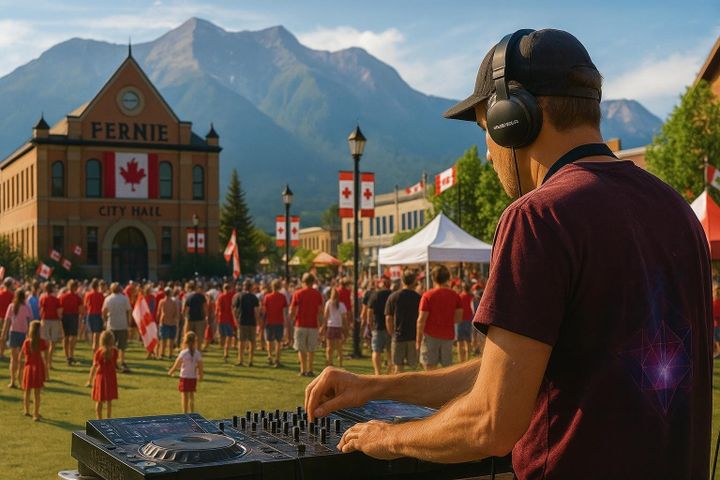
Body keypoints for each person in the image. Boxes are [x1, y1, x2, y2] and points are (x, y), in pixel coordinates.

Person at [303, 29, 713, 479]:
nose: (486, 152)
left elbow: (491, 422)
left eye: (485, 130)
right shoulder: (677, 211)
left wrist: (387, 437)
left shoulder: (537, 217)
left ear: (512, 119)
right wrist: (376, 387)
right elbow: (518, 371)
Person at [416, 265, 462, 370]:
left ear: (433, 278)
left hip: (430, 335)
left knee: (430, 371)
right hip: (448, 335)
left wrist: (418, 341)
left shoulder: (427, 296)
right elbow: (458, 318)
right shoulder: (455, 295)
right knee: (447, 371)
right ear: (447, 278)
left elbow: (421, 321)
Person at [384, 270, 421, 373]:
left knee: (398, 367)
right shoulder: (418, 298)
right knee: (414, 367)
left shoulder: (393, 296)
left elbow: (388, 318)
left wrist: (392, 334)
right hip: (413, 336)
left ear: (402, 281)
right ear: (414, 281)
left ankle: (399, 388)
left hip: (398, 336)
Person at [289, 273, 324, 377]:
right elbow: (320, 310)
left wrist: (292, 318)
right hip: (313, 324)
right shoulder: (317, 294)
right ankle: (310, 369)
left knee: (301, 349)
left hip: (300, 324)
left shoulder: (297, 293)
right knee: (311, 349)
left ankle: (303, 369)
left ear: (303, 282)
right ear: (313, 282)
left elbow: (292, 310)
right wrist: (321, 324)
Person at [2, 289, 33, 388]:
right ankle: (20, 381)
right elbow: (30, 322)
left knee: (13, 359)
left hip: (13, 333)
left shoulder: (11, 306)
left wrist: (3, 334)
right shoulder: (26, 307)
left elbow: (7, 322)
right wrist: (30, 335)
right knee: (21, 359)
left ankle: (13, 381)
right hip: (23, 334)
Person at [168, 331, 203, 414]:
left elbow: (177, 364)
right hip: (193, 377)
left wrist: (171, 371)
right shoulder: (197, 353)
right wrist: (200, 375)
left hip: (184, 377)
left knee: (184, 397)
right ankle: (192, 413)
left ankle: (185, 413)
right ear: (195, 341)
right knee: (191, 396)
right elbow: (200, 366)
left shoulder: (183, 353)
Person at [86, 330, 118, 419]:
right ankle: (108, 418)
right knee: (109, 401)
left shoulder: (99, 352)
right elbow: (114, 364)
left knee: (99, 400)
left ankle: (99, 419)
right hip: (111, 377)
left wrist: (90, 380)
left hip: (101, 377)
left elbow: (94, 366)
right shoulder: (114, 351)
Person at [102, 283, 132, 373]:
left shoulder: (108, 298)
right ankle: (122, 361)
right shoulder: (124, 298)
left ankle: (112, 361)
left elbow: (104, 310)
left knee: (111, 345)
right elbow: (129, 310)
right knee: (122, 345)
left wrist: (105, 320)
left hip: (111, 324)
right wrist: (129, 322)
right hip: (122, 324)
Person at [22, 320, 47, 421]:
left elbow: (24, 355)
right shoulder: (41, 341)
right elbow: (45, 352)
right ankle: (35, 413)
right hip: (38, 368)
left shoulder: (27, 342)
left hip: (28, 368)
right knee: (37, 393)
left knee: (27, 391)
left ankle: (26, 410)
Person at [367, 278, 392, 375]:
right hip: (390, 327)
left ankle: (378, 372)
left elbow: (370, 311)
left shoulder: (375, 295)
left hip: (377, 327)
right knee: (390, 351)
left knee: (376, 351)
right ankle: (389, 372)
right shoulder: (392, 294)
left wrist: (371, 325)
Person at [233, 280, 260, 367]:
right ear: (251, 287)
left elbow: (234, 309)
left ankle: (240, 360)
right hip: (252, 322)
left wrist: (236, 319)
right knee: (252, 342)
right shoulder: (254, 297)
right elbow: (256, 311)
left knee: (241, 341)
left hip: (242, 321)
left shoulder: (239, 296)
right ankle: (250, 360)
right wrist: (258, 322)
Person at [262, 279, 287, 367]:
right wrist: (285, 322)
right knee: (278, 342)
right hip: (279, 321)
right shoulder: (282, 297)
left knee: (269, 340)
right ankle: (277, 360)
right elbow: (284, 311)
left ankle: (269, 356)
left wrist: (262, 322)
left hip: (269, 321)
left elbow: (264, 311)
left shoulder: (267, 297)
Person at [39, 283, 62, 374]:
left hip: (45, 320)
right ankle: (49, 361)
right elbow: (59, 311)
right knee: (53, 342)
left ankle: (46, 361)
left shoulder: (43, 298)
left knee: (46, 342)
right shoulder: (56, 299)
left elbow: (41, 309)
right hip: (54, 320)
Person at [321, 287, 347, 367]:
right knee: (339, 347)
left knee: (329, 347)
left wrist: (323, 326)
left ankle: (329, 362)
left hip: (331, 326)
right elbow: (344, 317)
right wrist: (345, 327)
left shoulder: (328, 303)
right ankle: (340, 364)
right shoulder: (341, 304)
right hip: (338, 326)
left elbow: (325, 316)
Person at [59, 280, 83, 365]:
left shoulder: (62, 296)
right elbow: (81, 310)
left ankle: (67, 356)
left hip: (65, 316)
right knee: (73, 337)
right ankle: (71, 354)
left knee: (66, 337)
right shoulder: (78, 297)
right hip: (73, 316)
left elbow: (60, 310)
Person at [157, 287, 180, 359]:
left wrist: (158, 320)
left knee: (163, 340)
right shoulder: (173, 302)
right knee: (171, 340)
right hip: (171, 323)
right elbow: (176, 313)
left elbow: (158, 313)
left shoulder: (162, 301)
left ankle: (162, 354)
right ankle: (170, 354)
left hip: (164, 322)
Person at [84, 279, 106, 352]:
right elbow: (103, 306)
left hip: (90, 314)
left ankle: (94, 347)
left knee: (93, 333)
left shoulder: (88, 294)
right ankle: (97, 349)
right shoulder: (100, 295)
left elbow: (85, 305)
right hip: (98, 314)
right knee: (97, 334)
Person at [456, 282, 474, 363]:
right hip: (468, 320)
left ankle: (461, 360)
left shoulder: (459, 296)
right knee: (468, 341)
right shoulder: (471, 297)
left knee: (460, 341)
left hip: (460, 320)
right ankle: (468, 359)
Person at [0, 278, 15, 360]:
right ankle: (1, 354)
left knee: (2, 336)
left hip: (1, 316)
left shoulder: (1, 293)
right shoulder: (11, 295)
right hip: (6, 318)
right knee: (4, 336)